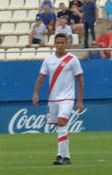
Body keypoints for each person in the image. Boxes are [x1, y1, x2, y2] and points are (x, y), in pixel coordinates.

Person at [32, 33, 84, 165]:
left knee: (61, 122)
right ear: (54, 44)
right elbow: (41, 78)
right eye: (58, 43)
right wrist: (36, 93)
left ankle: (60, 155)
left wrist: (79, 100)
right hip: (53, 98)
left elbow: (80, 80)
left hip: (67, 98)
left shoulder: (72, 60)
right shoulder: (48, 59)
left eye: (62, 43)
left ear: (67, 44)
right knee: (60, 127)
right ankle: (67, 156)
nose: (60, 45)